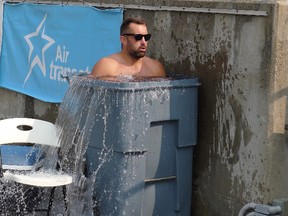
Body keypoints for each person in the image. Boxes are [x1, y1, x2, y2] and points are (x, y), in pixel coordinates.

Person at [90, 17, 166, 79]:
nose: (143, 42)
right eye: (138, 37)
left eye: (146, 37)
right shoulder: (107, 67)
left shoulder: (155, 68)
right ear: (124, 40)